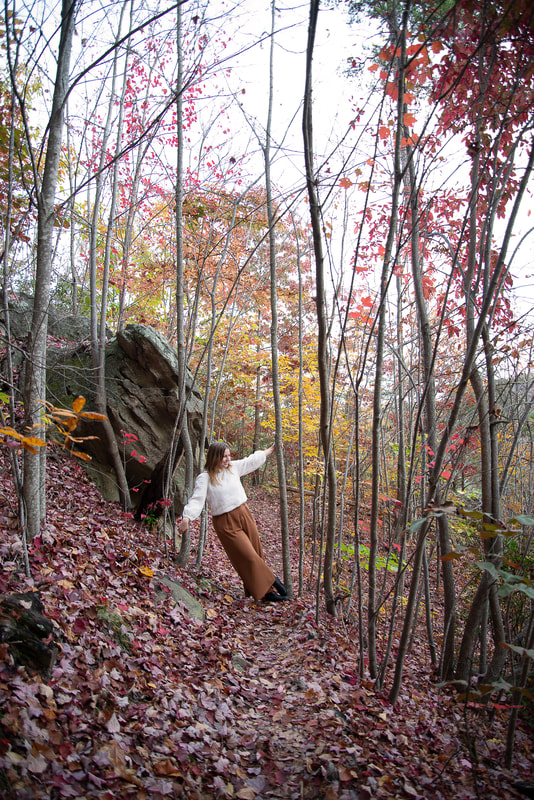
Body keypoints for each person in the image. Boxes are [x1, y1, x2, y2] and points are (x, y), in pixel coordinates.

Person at [177, 442, 288, 603]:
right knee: (248, 557)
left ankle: (267, 592)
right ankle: (273, 579)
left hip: (244, 513)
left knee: (257, 552)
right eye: (224, 457)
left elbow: (251, 461)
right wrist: (187, 517)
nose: (228, 459)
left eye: (229, 455)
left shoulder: (233, 468)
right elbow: (197, 500)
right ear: (215, 457)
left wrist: (271, 449)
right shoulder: (205, 478)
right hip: (225, 522)